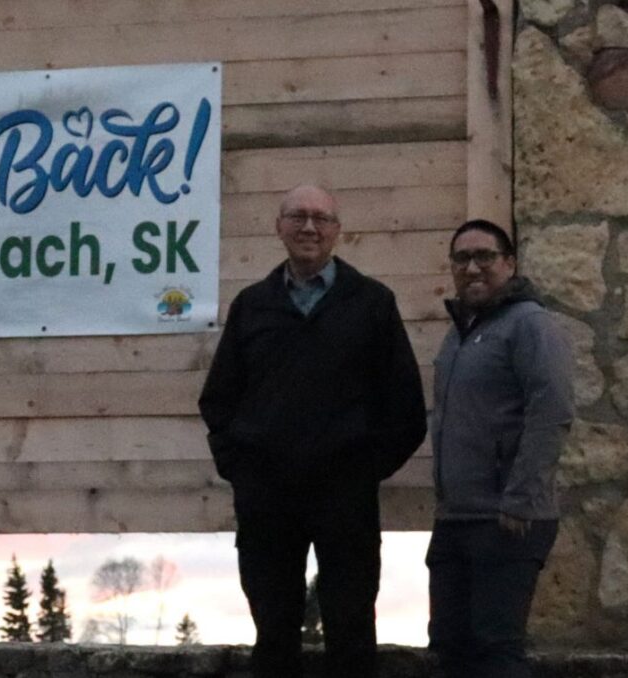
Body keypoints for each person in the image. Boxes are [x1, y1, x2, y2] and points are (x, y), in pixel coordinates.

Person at [198, 185, 427, 678]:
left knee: (351, 633)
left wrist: (361, 471)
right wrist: (243, 471)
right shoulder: (252, 305)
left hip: (345, 500)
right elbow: (218, 400)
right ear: (278, 227)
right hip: (267, 501)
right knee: (273, 635)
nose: (309, 227)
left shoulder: (372, 303)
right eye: (298, 217)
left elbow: (406, 408)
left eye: (321, 218)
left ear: (337, 231)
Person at [426, 219, 574, 678]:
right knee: (448, 651)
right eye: (462, 258)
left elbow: (552, 411)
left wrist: (521, 498)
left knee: (496, 652)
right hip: (456, 518)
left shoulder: (530, 324)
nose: (472, 268)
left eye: (484, 257)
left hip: (507, 519)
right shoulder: (460, 333)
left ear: (509, 263)